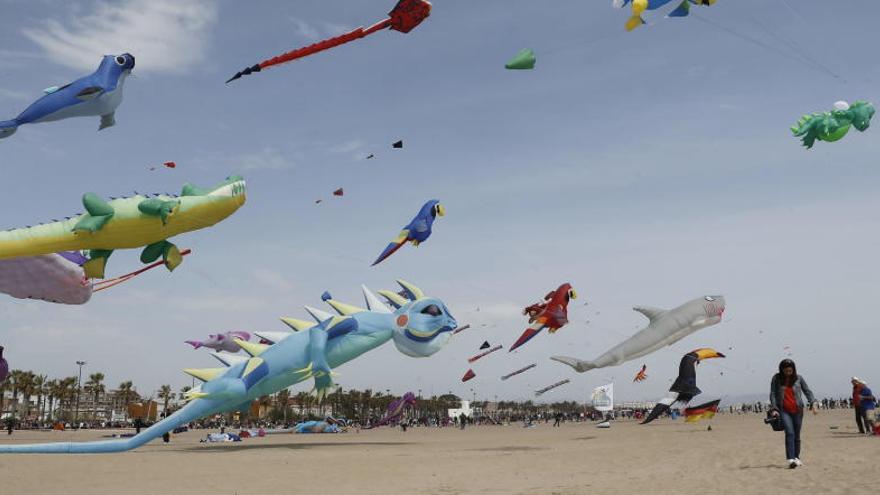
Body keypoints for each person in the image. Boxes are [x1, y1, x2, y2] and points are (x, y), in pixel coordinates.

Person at [769, 359, 817, 469]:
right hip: (784, 410)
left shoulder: (799, 378)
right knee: (790, 432)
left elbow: (807, 391)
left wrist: (813, 402)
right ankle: (790, 459)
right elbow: (772, 394)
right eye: (786, 370)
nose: (788, 372)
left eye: (790, 370)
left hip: (798, 410)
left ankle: (796, 457)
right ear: (782, 369)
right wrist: (774, 409)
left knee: (797, 434)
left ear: (793, 369)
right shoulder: (776, 378)